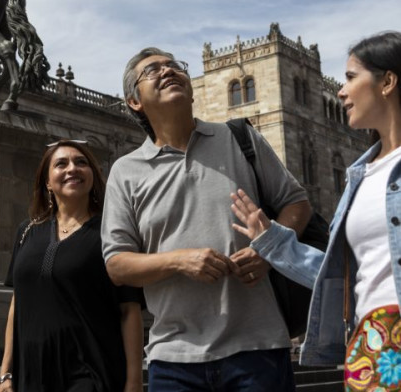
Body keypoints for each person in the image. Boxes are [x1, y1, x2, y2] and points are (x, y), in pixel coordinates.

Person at [101, 47, 312, 392]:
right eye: (153, 70)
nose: (168, 71)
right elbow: (117, 264)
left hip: (257, 348)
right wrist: (179, 261)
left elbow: (297, 204)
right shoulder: (126, 172)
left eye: (174, 65)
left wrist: (268, 251)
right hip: (173, 358)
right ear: (134, 101)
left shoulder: (240, 138)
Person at [231, 31, 401, 391]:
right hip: (371, 349)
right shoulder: (361, 174)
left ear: (387, 82)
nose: (341, 91)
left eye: (351, 78)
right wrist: (273, 241)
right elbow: (341, 279)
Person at [0, 140, 144, 392]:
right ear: (47, 181)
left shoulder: (112, 232)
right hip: (31, 373)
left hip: (91, 370)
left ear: (93, 176)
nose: (72, 169)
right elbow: (16, 304)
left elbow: (130, 310)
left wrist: (133, 383)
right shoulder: (27, 231)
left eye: (81, 162)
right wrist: (5, 373)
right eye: (61, 164)